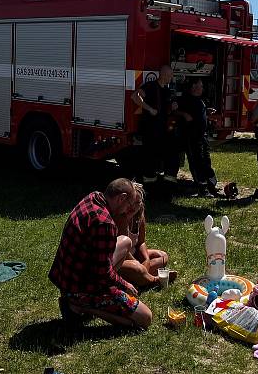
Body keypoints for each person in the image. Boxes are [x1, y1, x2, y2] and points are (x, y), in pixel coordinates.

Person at [48, 178, 152, 329]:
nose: (126, 211)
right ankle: (81, 306)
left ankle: (80, 300)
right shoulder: (105, 223)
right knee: (144, 318)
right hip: (80, 287)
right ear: (121, 198)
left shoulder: (93, 197)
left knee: (125, 241)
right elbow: (103, 272)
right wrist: (125, 284)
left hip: (67, 277)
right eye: (128, 205)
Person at [114, 184, 174, 289]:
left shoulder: (139, 216)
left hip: (134, 254)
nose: (134, 207)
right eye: (131, 203)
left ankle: (139, 276)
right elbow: (122, 250)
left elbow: (141, 242)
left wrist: (146, 259)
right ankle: (152, 280)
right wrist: (137, 263)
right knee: (135, 267)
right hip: (121, 258)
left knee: (163, 256)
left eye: (138, 203)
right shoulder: (120, 218)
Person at [131, 65, 178, 184]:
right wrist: (149, 109)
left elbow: (166, 110)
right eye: (170, 75)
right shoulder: (151, 86)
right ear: (163, 75)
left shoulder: (167, 91)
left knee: (165, 154)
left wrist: (172, 107)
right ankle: (149, 184)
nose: (171, 78)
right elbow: (135, 96)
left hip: (162, 130)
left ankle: (164, 182)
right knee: (149, 156)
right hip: (150, 129)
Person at [176, 79, 218, 196]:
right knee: (196, 162)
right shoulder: (186, 100)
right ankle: (202, 188)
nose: (202, 88)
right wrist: (184, 114)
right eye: (200, 86)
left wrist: (206, 111)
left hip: (202, 137)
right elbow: (174, 110)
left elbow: (198, 112)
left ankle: (211, 185)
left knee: (206, 161)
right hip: (192, 137)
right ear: (193, 87)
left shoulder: (199, 100)